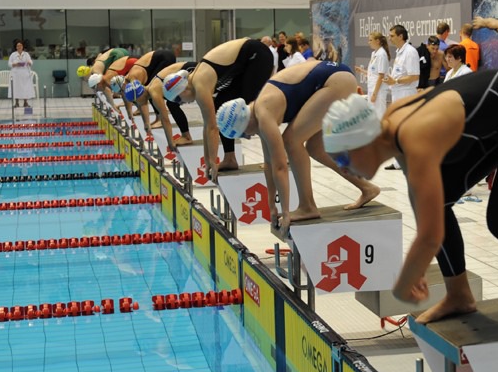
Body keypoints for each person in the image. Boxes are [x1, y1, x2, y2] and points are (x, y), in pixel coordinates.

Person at [320, 69, 498, 324]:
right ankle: (459, 296)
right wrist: (416, 265)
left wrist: (406, 280)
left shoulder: (415, 135)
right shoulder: (392, 127)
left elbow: (430, 236)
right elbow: (425, 210)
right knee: (438, 204)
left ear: (364, 142)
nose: (344, 168)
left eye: (343, 158)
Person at [216, 59, 381, 232]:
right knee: (315, 148)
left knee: (291, 140)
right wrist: (271, 205)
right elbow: (269, 164)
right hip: (333, 79)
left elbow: (280, 166)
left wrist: (285, 211)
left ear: (245, 121)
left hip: (334, 80)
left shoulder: (263, 113)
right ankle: (367, 188)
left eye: (244, 133)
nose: (248, 136)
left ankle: (307, 206)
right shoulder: (257, 114)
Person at [163, 37, 275, 180]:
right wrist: (208, 160)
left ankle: (274, 157)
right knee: (221, 107)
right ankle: (230, 158)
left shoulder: (200, 84)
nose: (182, 104)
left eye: (179, 100)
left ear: (183, 90)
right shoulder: (195, 82)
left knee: (252, 110)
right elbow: (207, 126)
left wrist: (212, 162)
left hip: (257, 55)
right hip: (246, 61)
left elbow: (212, 128)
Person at [123, 61, 195, 155]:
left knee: (172, 104)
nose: (136, 104)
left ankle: (186, 137)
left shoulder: (155, 93)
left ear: (140, 96)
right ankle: (186, 135)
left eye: (135, 101)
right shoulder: (148, 90)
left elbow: (165, 119)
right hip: (185, 69)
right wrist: (146, 124)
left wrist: (170, 142)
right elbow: (142, 104)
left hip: (190, 69)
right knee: (172, 103)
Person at [382, 25, 420, 170]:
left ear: (400, 36)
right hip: (398, 93)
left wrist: (396, 81)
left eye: (392, 35)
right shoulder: (400, 51)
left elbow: (414, 76)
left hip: (406, 93)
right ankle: (400, 162)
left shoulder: (410, 52)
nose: (389, 38)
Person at [355, 31, 391, 117]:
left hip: (379, 90)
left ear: (377, 41)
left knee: (379, 115)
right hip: (372, 88)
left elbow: (381, 76)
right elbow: (373, 73)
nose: (369, 42)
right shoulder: (374, 53)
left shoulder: (381, 54)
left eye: (371, 40)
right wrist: (362, 71)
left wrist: (375, 93)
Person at [9, 41, 35, 107]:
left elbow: (31, 62)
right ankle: (16, 103)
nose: (19, 47)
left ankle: (25, 102)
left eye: (20, 45)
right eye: (18, 46)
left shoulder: (26, 54)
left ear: (22, 47)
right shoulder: (13, 54)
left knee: (25, 88)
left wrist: (29, 62)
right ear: (16, 47)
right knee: (16, 88)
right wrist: (15, 64)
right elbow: (9, 63)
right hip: (16, 74)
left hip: (25, 74)